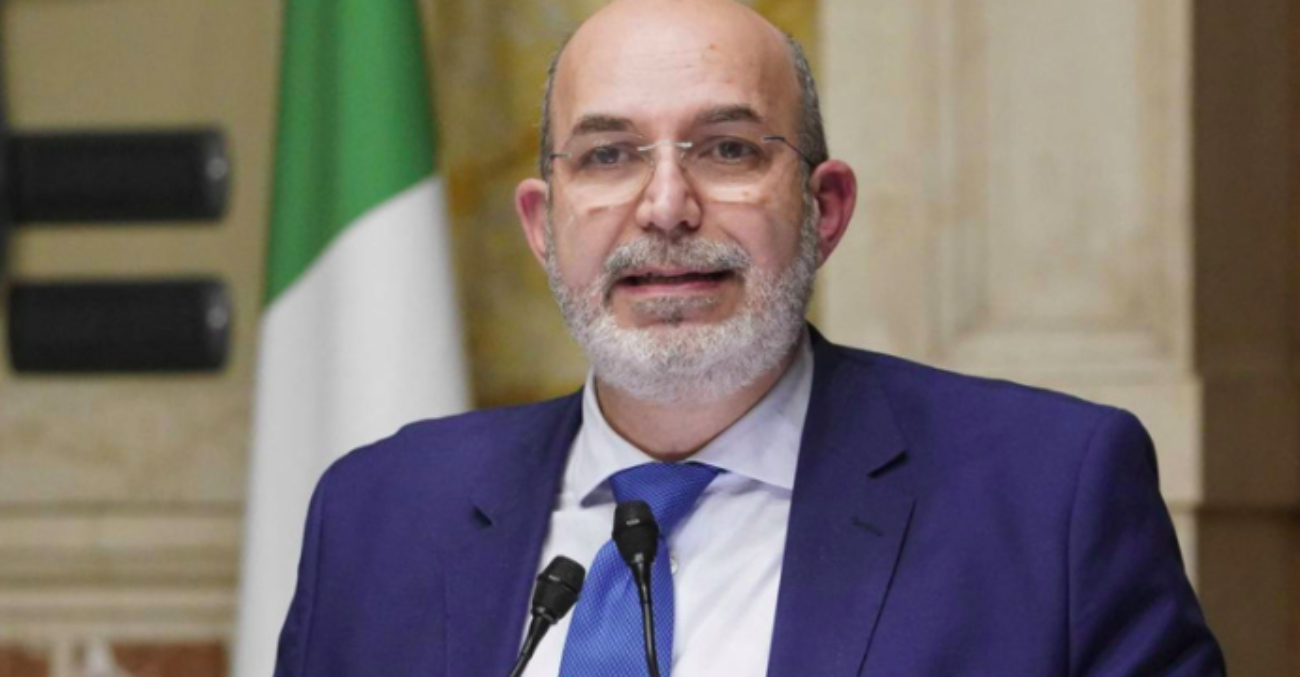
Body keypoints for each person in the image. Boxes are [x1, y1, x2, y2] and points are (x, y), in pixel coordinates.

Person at [272, 0, 1225, 675]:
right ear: (542, 225)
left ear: (825, 208)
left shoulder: (1049, 497)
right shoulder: (378, 515)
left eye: (727, 148)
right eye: (608, 155)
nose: (666, 206)